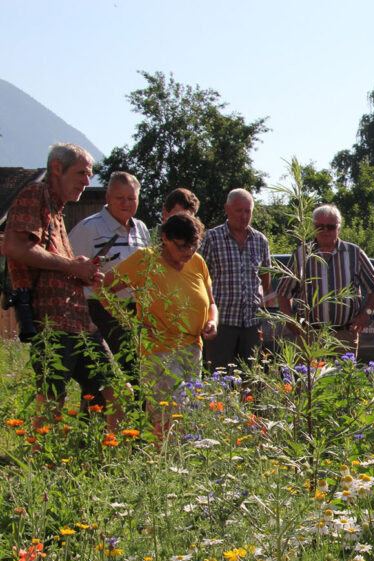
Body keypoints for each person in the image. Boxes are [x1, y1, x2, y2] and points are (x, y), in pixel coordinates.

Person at [1, 143, 116, 428]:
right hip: (52, 322)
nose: (87, 181)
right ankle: (41, 466)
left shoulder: (59, 211)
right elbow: (14, 246)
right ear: (56, 168)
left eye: (89, 175)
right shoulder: (35, 194)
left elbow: (50, 260)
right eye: (81, 173)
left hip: (79, 322)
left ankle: (109, 462)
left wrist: (81, 270)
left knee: (114, 394)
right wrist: (72, 266)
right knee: (53, 398)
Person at [102, 213, 217, 438]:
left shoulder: (198, 262)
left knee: (191, 414)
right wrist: (131, 323)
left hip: (193, 349)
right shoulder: (145, 259)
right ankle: (165, 464)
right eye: (183, 246)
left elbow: (211, 303)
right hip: (159, 351)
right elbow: (105, 288)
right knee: (169, 418)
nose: (189, 252)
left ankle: (184, 465)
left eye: (194, 245)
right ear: (165, 238)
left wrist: (212, 321)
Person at [69, 171, 151, 381]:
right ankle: (97, 412)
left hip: (136, 310)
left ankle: (134, 413)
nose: (126, 203)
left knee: (138, 371)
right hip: (101, 310)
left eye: (131, 198)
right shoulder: (89, 228)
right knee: (107, 374)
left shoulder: (141, 228)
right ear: (108, 198)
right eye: (120, 198)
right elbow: (70, 270)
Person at [276, 204, 374, 357]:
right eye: (320, 226)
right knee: (310, 380)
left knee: (342, 380)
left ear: (338, 228)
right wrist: (290, 320)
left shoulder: (354, 253)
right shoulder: (301, 254)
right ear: (313, 227)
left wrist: (366, 314)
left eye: (330, 227)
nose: (325, 231)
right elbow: (284, 292)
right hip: (309, 334)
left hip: (344, 335)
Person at [197, 189, 270, 372]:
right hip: (223, 321)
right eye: (239, 210)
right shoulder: (212, 238)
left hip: (252, 322)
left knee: (252, 375)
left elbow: (265, 277)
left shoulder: (260, 240)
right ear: (227, 210)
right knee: (219, 375)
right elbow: (198, 276)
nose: (244, 216)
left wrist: (263, 306)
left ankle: (250, 402)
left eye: (248, 211)